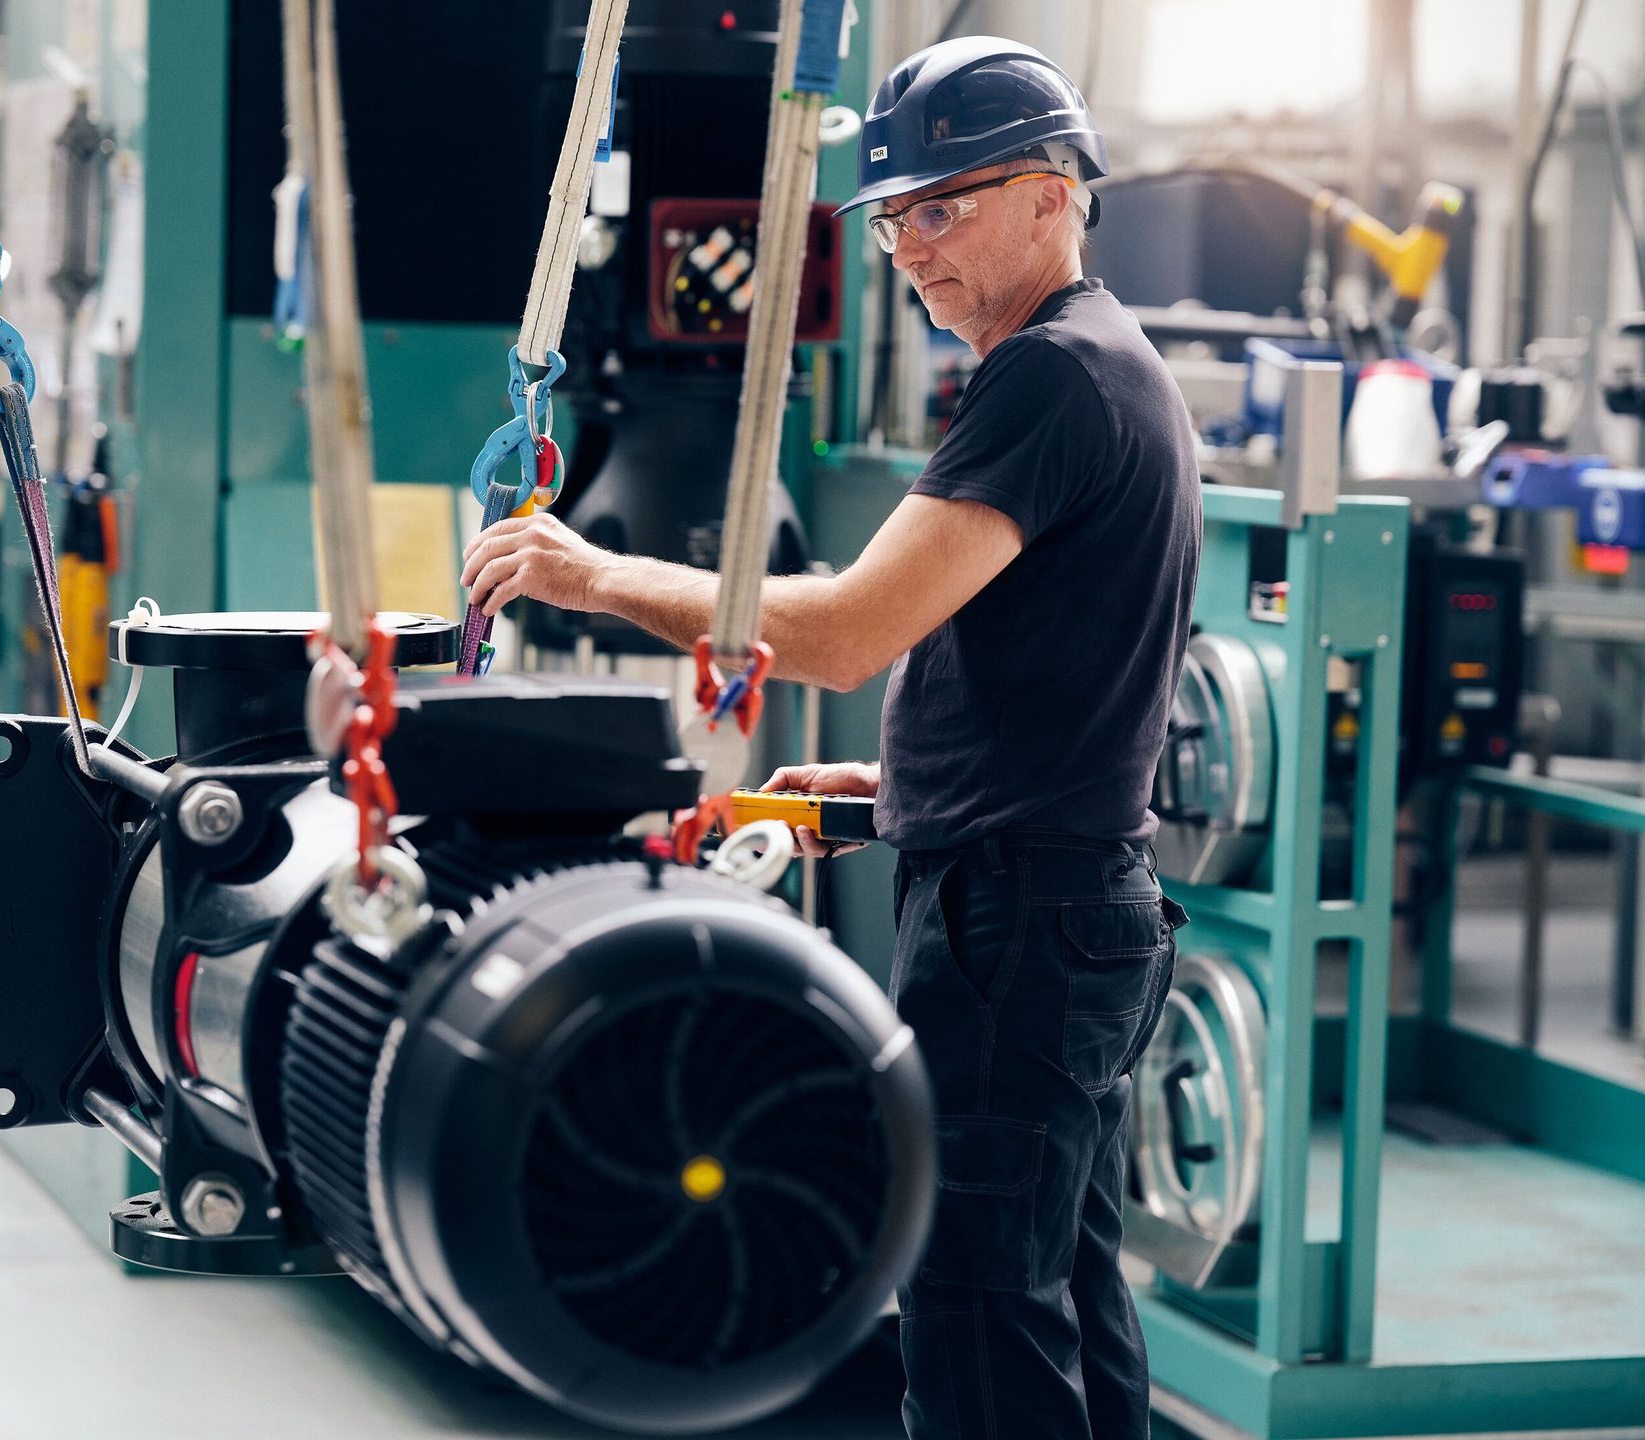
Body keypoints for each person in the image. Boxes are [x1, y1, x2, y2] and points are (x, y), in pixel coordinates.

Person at [460, 35, 1200, 1439]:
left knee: (982, 1307)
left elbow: (850, 631)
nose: (913, 247)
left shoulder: (1048, 379)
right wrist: (902, 780)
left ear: (1053, 195)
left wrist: (588, 572)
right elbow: (1072, 669)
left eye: (945, 206)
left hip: (1020, 928)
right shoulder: (1109, 368)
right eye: (894, 218)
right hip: (1066, 901)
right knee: (1063, 1294)